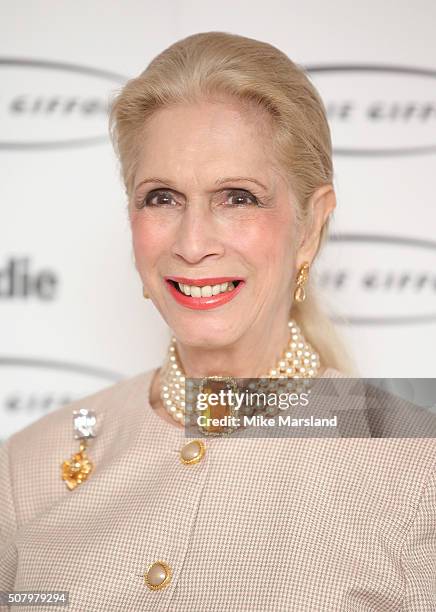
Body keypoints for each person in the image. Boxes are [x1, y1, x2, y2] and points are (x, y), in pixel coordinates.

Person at [0, 31, 434, 611]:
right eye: (161, 197)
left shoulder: (418, 470)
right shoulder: (25, 471)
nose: (193, 242)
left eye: (238, 197)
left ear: (310, 226)